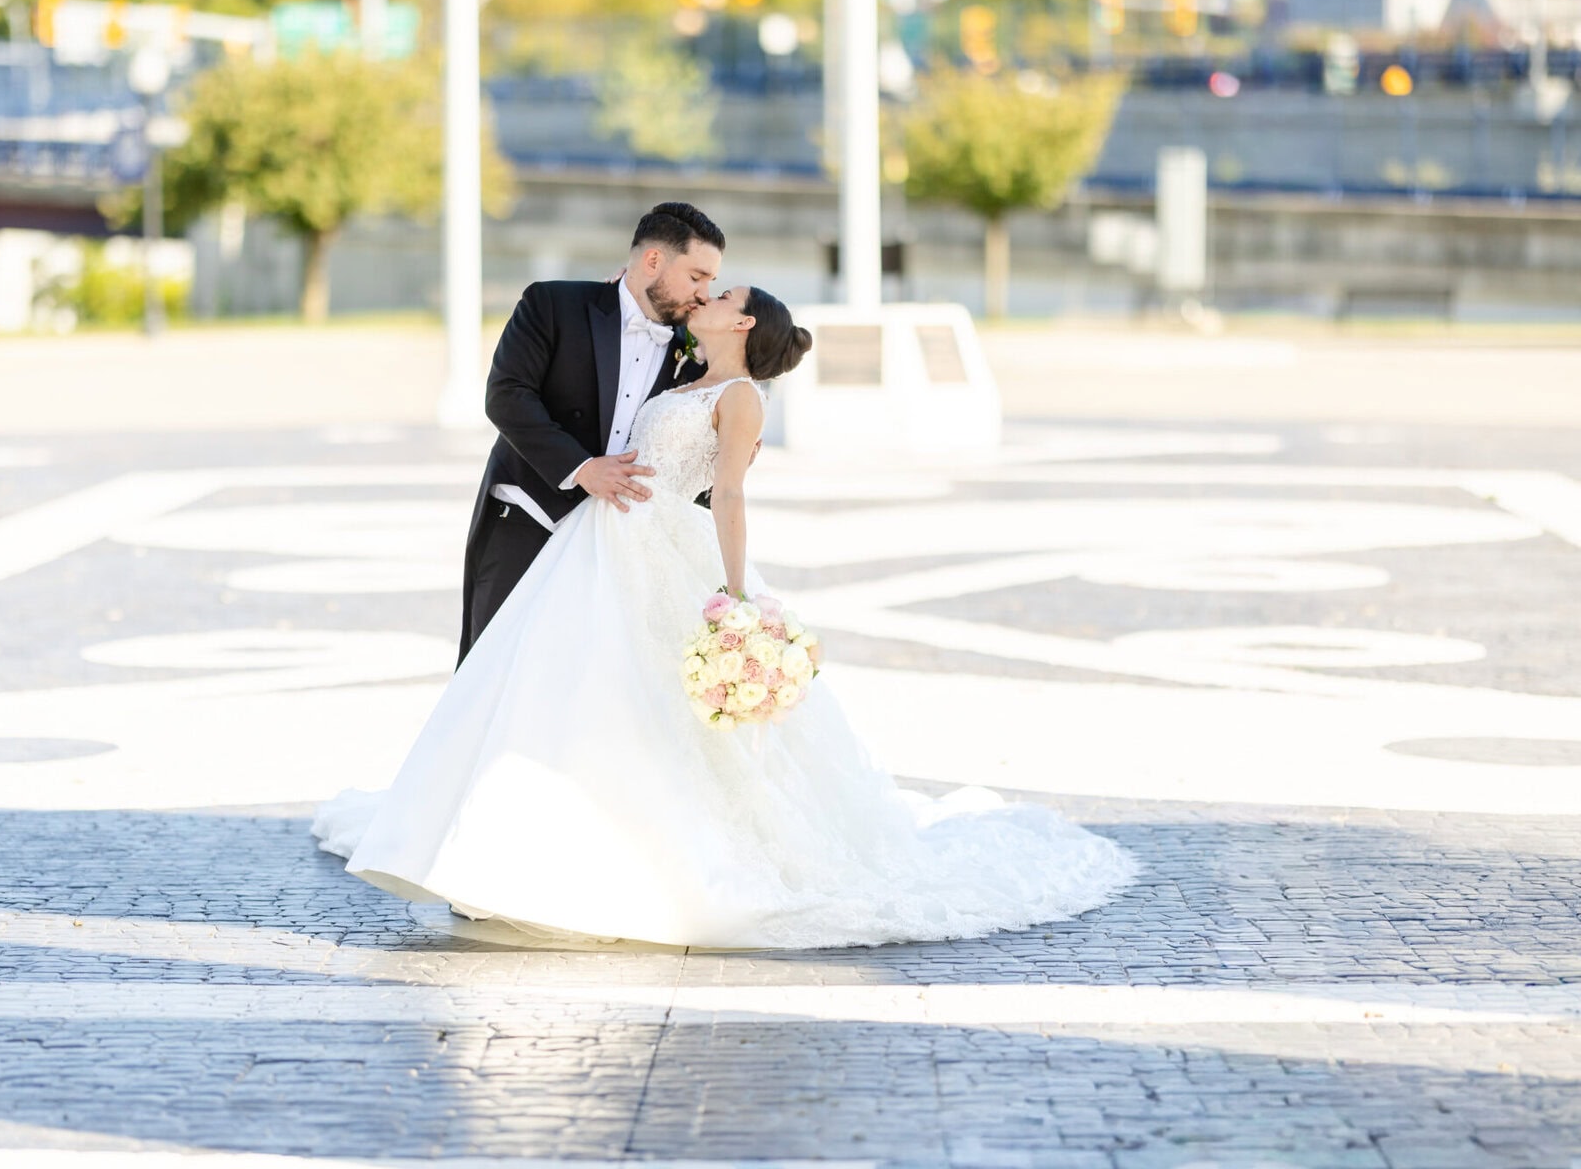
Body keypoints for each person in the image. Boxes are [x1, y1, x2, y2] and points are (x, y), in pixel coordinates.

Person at [312, 283, 1137, 950]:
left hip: (667, 546)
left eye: (719, 292)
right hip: (604, 539)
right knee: (566, 682)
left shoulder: (741, 395)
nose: (701, 296)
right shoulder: (688, 379)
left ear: (741, 321)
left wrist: (736, 595)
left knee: (655, 702)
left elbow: (731, 492)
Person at [461, 201, 724, 661]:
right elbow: (506, 394)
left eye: (711, 283)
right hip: (529, 522)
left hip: (622, 551)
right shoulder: (553, 304)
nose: (704, 293)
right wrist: (581, 467)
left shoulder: (694, 350)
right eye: (697, 277)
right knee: (496, 673)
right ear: (653, 261)